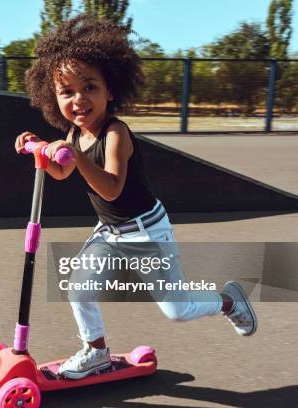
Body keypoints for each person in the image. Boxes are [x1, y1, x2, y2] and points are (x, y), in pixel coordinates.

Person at [14, 15, 258, 380]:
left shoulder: (116, 133)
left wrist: (74, 155)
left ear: (110, 90)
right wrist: (40, 154)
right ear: (54, 97)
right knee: (78, 289)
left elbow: (111, 186)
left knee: (178, 310)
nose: (79, 100)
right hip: (111, 232)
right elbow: (63, 172)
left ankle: (229, 301)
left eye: (90, 87)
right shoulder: (74, 134)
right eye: (67, 92)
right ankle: (95, 351)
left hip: (147, 234)